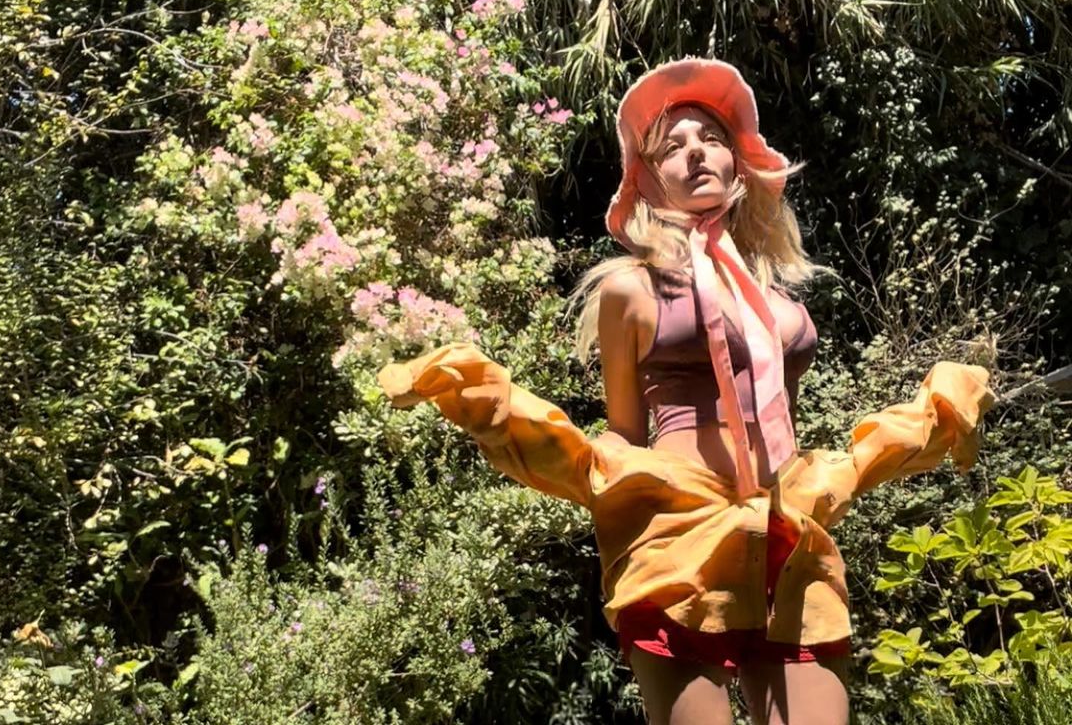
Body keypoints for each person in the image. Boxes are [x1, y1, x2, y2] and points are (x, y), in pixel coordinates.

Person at [378, 58, 994, 725]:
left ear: (738, 162)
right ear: (647, 178)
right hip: (677, 539)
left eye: (711, 138)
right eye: (672, 146)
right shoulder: (630, 289)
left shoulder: (779, 297)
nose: (695, 153)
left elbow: (775, 417)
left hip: (784, 527)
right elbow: (626, 433)